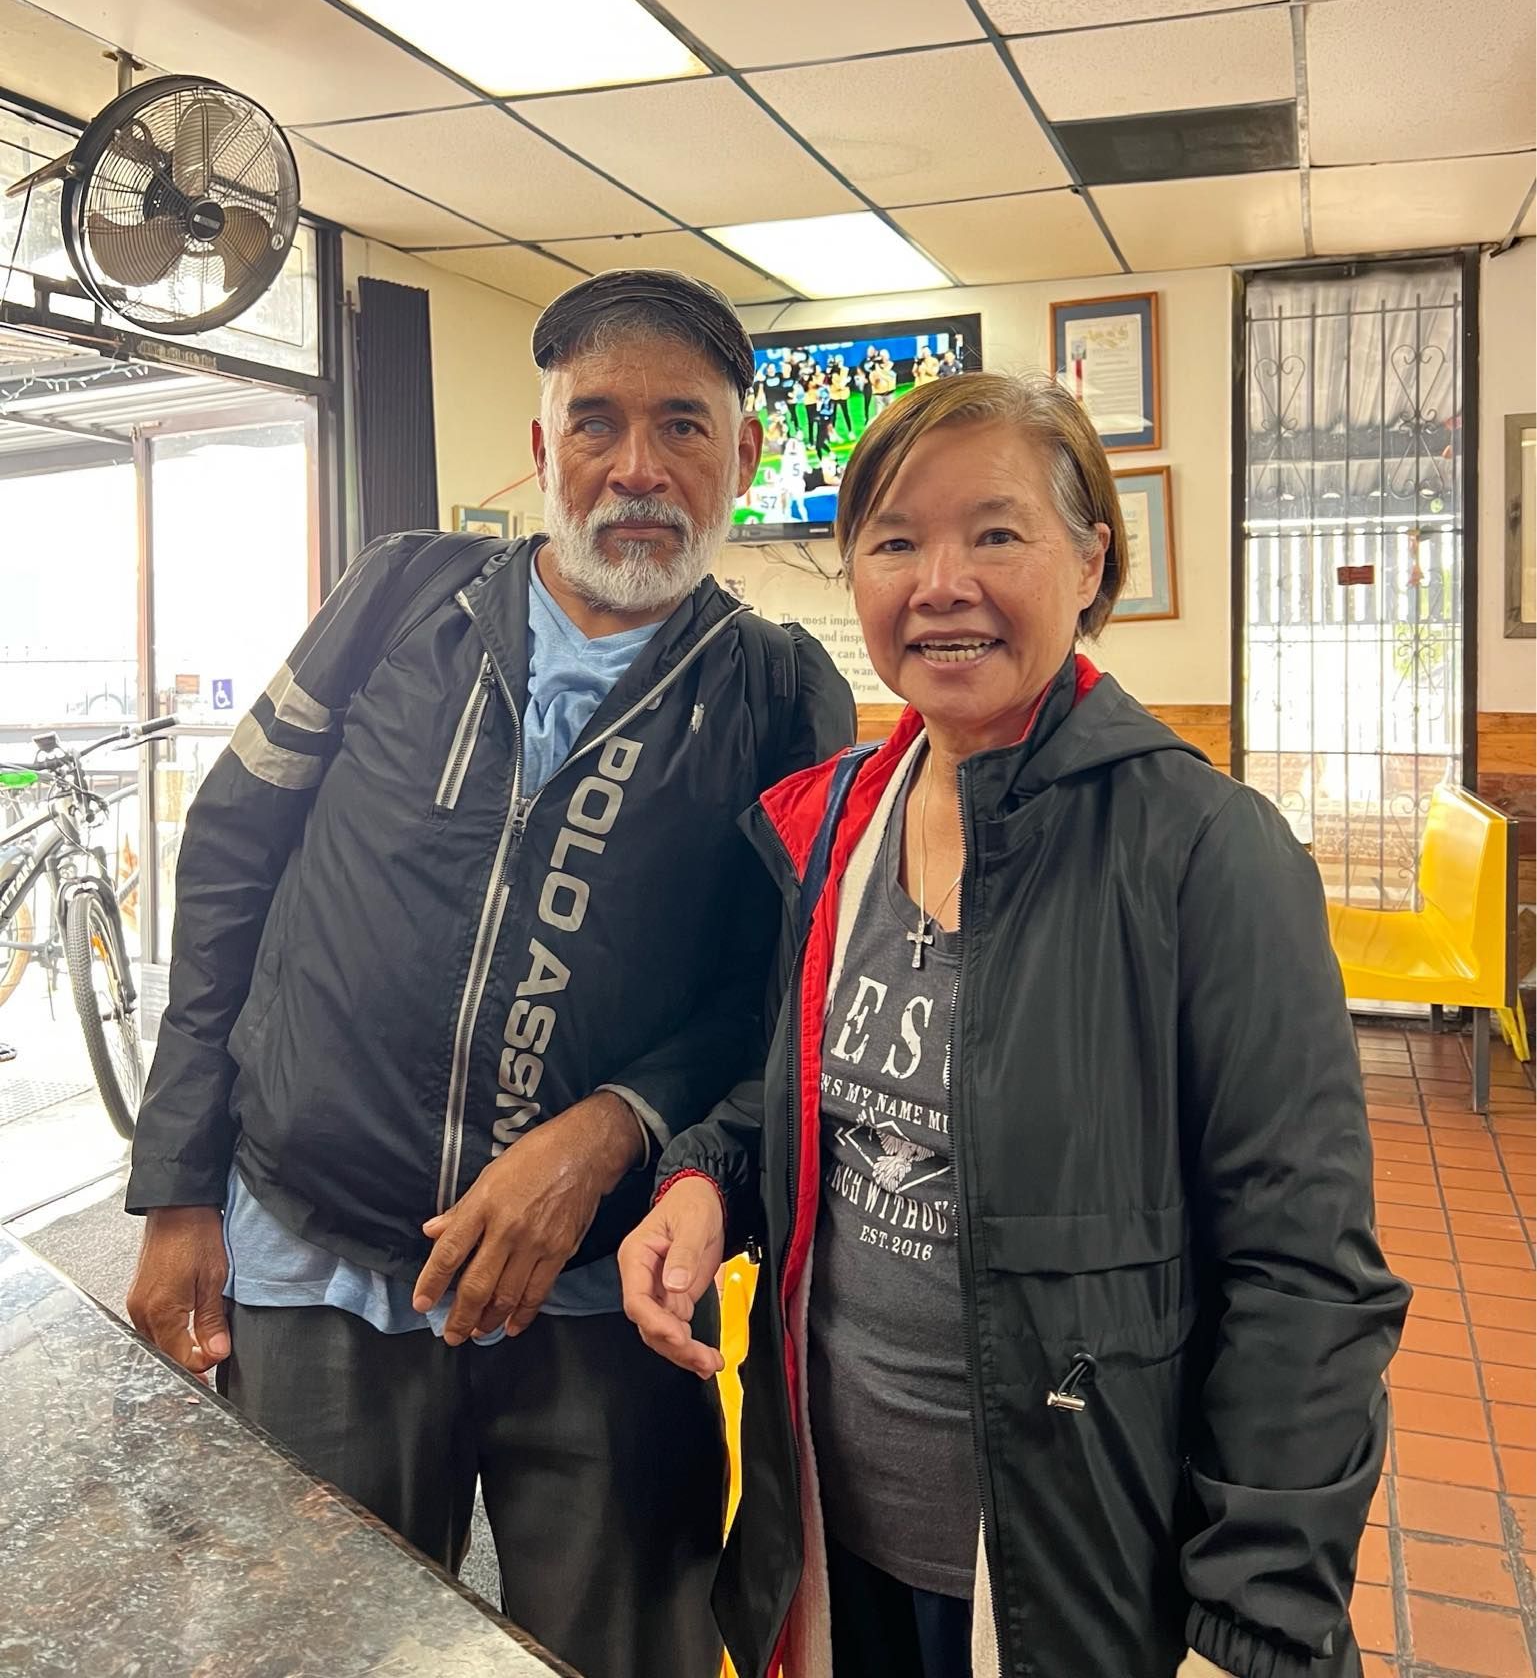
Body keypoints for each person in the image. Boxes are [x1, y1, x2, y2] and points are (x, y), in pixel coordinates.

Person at [124, 269, 856, 1678]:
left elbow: (782, 997)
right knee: (313, 1646)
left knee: (618, 1652)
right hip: (317, 1257)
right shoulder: (401, 593)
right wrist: (175, 1184)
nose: (635, 467)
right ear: (542, 449)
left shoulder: (777, 689)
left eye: (683, 427)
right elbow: (231, 860)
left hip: (603, 1297)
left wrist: (613, 1130)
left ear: (746, 457)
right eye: (595, 421)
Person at [621, 370, 1408, 1678]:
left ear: (1088, 558)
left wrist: (1254, 1621)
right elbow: (812, 1097)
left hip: (1068, 1565)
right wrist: (707, 1180)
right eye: (893, 541)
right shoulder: (840, 826)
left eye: (994, 533)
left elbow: (1305, 1273)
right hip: (832, 1529)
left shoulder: (1204, 855)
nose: (940, 581)